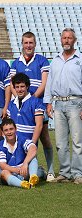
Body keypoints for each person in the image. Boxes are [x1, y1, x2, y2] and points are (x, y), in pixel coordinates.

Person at [9, 32, 55, 182]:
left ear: (35, 44)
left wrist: (32, 99)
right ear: (22, 44)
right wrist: (19, 98)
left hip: (37, 104)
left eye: (31, 43)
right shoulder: (16, 63)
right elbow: (12, 83)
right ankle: (25, 167)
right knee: (21, 138)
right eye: (26, 43)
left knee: (45, 138)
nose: (28, 45)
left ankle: (50, 170)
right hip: (22, 105)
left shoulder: (41, 60)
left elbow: (44, 83)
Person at [44, 28, 82, 184]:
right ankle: (65, 173)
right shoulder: (56, 60)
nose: (66, 40)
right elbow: (49, 83)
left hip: (76, 103)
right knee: (60, 142)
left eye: (69, 38)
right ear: (61, 40)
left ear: (75, 40)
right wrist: (48, 102)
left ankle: (78, 174)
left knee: (77, 141)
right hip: (58, 103)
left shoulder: (80, 59)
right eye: (64, 38)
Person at [0, 118, 40, 189]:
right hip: (10, 172)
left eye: (11, 129)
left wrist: (25, 163)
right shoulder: (0, 146)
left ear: (16, 129)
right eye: (6, 130)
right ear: (2, 133)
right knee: (4, 173)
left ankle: (33, 178)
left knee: (32, 158)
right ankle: (22, 184)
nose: (9, 132)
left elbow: (33, 149)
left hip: (24, 170)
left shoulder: (22, 139)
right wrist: (16, 170)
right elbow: (3, 165)